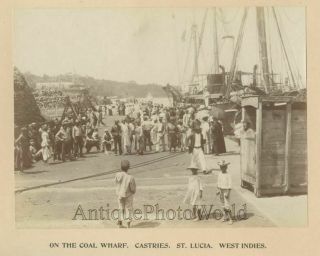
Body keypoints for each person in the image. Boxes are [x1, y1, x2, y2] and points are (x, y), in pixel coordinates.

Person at [115, 160, 136, 228]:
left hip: (119, 194)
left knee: (120, 207)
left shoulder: (117, 175)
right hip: (128, 195)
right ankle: (128, 224)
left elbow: (116, 183)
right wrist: (133, 191)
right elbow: (132, 188)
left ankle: (120, 222)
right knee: (128, 208)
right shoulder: (130, 177)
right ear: (128, 168)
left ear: (121, 167)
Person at [216, 160, 233, 224]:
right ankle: (225, 217)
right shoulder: (220, 174)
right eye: (221, 167)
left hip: (226, 190)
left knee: (227, 205)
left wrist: (228, 192)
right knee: (222, 205)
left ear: (226, 167)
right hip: (221, 190)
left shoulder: (228, 175)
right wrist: (218, 191)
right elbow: (219, 182)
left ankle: (231, 219)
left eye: (223, 167)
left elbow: (230, 184)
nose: (222, 168)